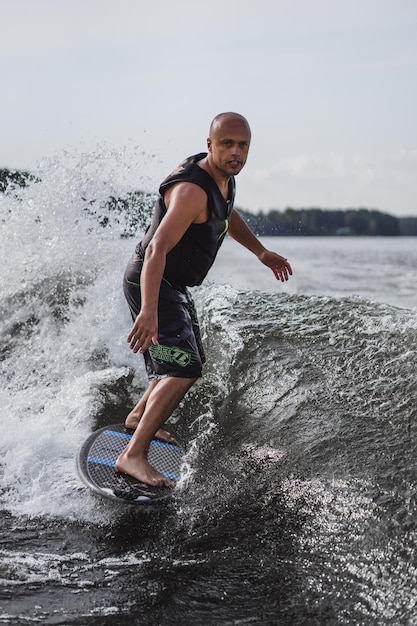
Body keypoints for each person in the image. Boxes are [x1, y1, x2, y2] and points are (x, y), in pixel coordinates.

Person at [116, 112, 292, 487]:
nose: (236, 152)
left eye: (242, 145)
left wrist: (261, 253)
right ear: (209, 144)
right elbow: (156, 250)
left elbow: (226, 214)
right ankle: (133, 455)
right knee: (184, 369)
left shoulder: (222, 180)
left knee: (184, 358)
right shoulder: (191, 191)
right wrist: (149, 311)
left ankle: (137, 419)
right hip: (154, 279)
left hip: (172, 285)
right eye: (227, 143)